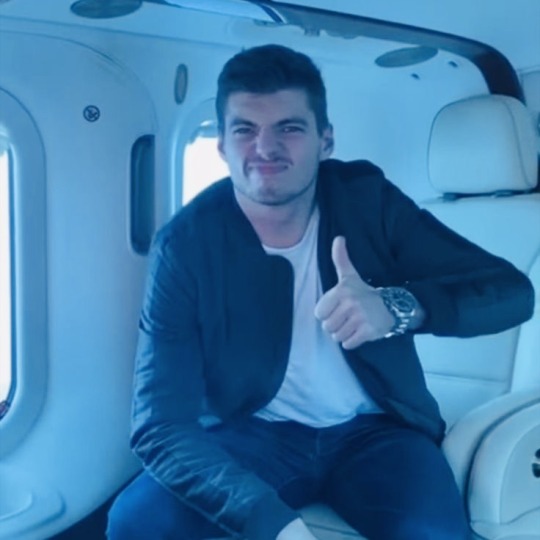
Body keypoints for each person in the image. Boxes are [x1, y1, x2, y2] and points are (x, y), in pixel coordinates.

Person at [107, 44, 534, 540]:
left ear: (325, 140)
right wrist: (276, 527)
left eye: (289, 128)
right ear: (221, 145)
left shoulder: (368, 202)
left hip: (378, 432)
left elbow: (510, 292)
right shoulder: (186, 245)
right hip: (254, 429)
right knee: (136, 521)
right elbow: (159, 425)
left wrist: (397, 306)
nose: (265, 148)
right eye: (245, 130)